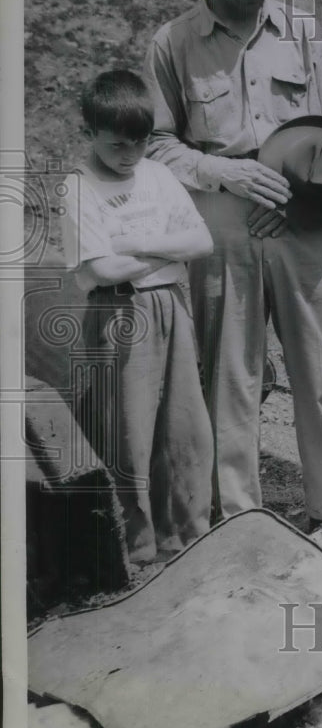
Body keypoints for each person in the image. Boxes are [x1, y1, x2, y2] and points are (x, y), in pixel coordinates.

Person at [143, 0, 322, 529]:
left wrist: (296, 195)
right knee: (231, 378)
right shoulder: (174, 43)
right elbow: (156, 143)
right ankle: (240, 520)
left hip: (304, 223)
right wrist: (224, 172)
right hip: (225, 223)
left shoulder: (304, 33)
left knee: (320, 375)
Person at [61, 69, 215, 563]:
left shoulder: (159, 175)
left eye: (140, 143)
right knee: (130, 428)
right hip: (119, 313)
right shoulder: (79, 187)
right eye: (117, 146)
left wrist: (142, 244)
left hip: (170, 306)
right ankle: (137, 546)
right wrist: (168, 256)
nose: (129, 155)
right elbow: (102, 268)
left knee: (185, 425)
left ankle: (188, 533)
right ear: (91, 134)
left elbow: (202, 241)